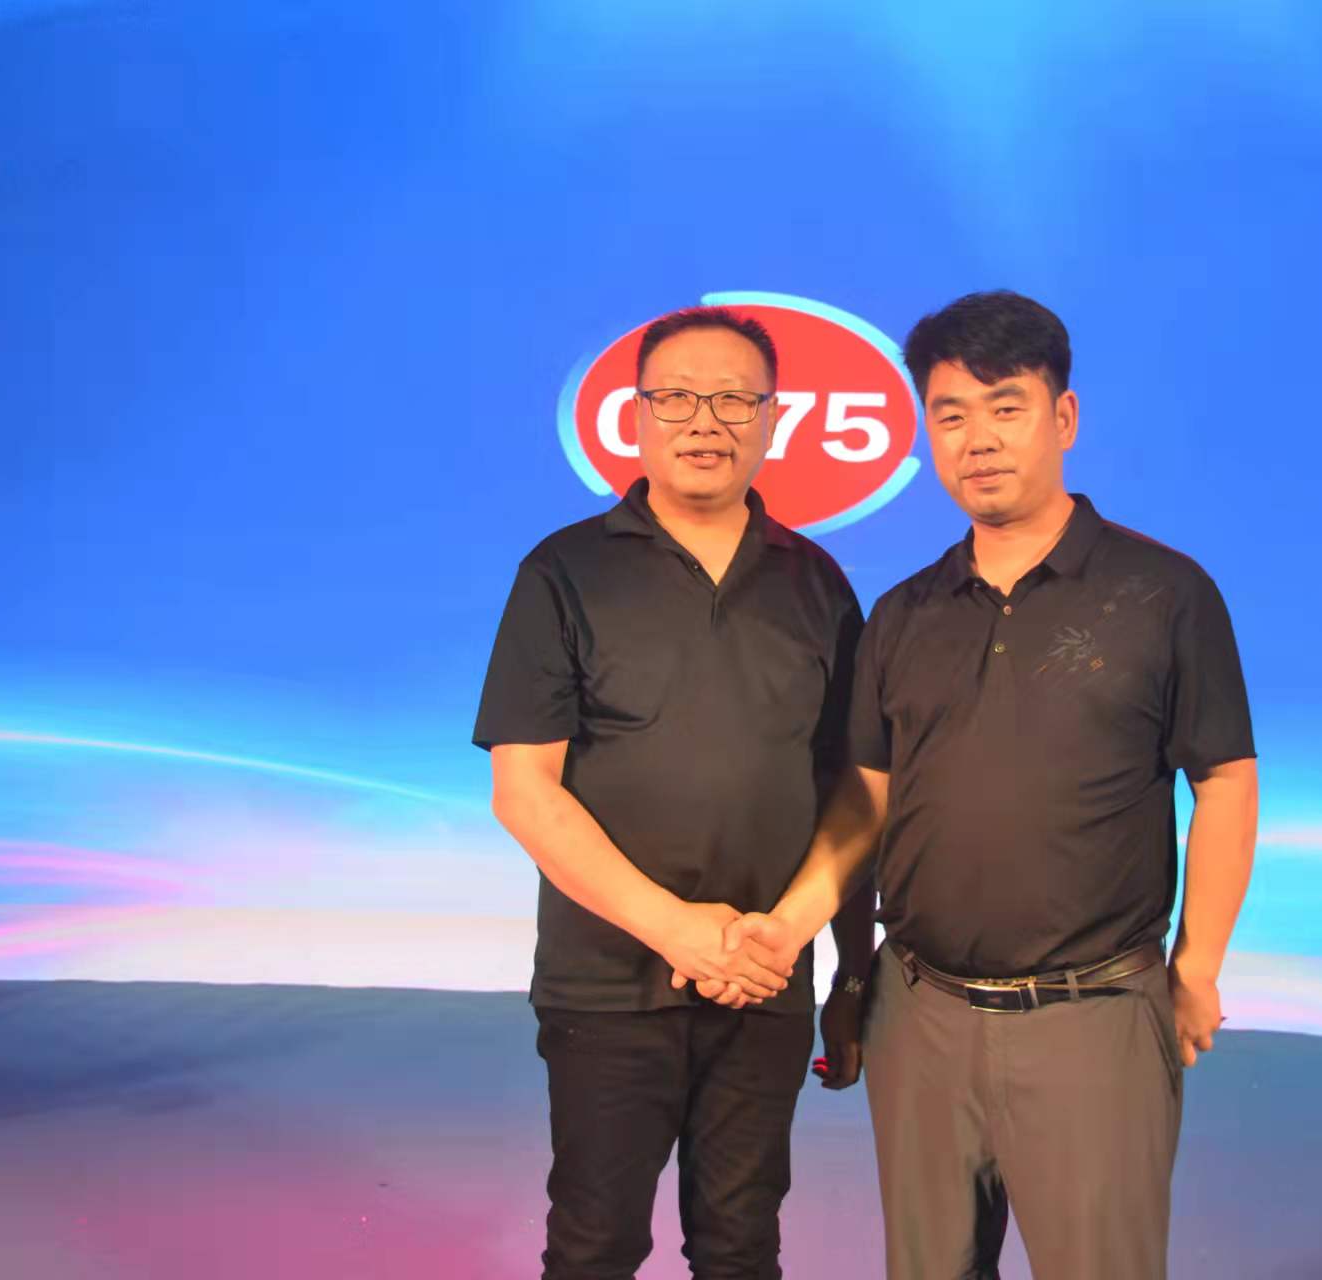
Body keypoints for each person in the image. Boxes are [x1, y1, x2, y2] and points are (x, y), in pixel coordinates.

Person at [727, 290, 1260, 1278]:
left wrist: (1197, 966)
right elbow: (866, 802)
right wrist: (793, 930)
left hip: (1093, 1018)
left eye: (1006, 407)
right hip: (919, 1015)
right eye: (950, 415)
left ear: (1064, 416)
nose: (978, 439)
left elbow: (1224, 779)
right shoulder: (904, 614)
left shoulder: (1165, 594)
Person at [473, 306, 873, 1279]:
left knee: (742, 1248)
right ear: (637, 414)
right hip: (609, 986)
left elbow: (856, 793)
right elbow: (525, 791)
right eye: (678, 397)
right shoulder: (564, 572)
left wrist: (830, 961)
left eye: (734, 399)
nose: (706, 421)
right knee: (595, 1245)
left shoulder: (820, 586)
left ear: (772, 418)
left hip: (767, 981)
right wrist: (677, 930)